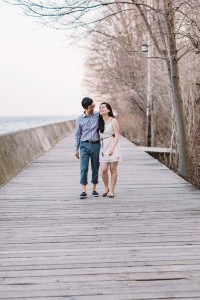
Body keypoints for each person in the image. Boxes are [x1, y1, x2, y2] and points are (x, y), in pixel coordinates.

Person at [75, 97, 100, 199]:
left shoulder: (98, 116)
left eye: (93, 106)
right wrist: (76, 149)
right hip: (84, 145)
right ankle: (83, 190)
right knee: (84, 168)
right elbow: (77, 135)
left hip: (96, 145)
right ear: (85, 108)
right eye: (91, 107)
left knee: (95, 167)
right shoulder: (79, 119)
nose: (93, 108)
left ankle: (94, 189)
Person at [98, 102, 122, 198]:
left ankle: (112, 190)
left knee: (113, 169)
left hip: (112, 145)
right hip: (103, 146)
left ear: (108, 110)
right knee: (103, 170)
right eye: (100, 108)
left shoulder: (113, 120)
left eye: (103, 107)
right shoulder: (99, 121)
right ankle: (106, 188)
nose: (101, 109)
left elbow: (117, 135)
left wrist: (113, 148)